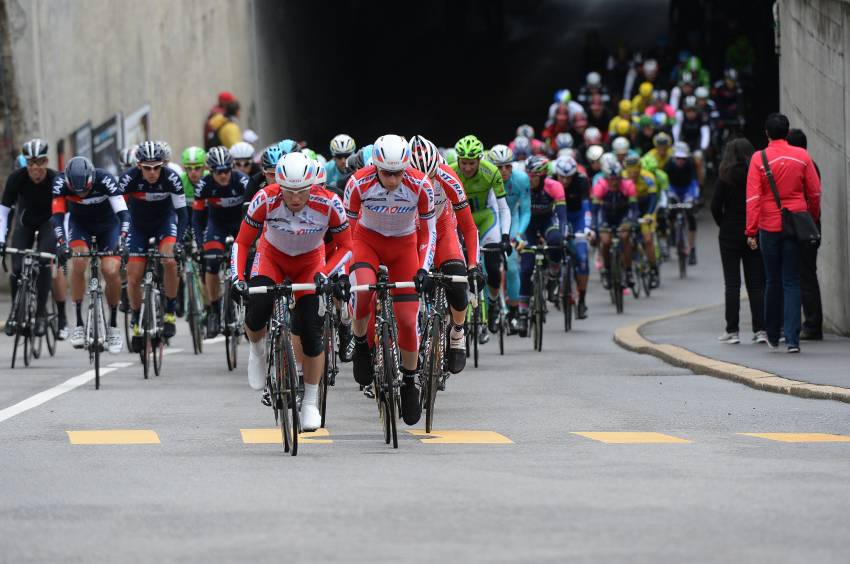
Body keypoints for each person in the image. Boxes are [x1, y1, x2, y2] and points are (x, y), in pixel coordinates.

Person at [232, 151, 352, 431]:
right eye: (289, 191)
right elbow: (242, 242)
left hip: (309, 262)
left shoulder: (330, 202)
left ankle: (309, 402)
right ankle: (257, 350)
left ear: (313, 186)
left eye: (302, 191)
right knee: (257, 308)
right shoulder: (265, 199)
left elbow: (347, 246)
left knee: (312, 333)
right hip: (272, 257)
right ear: (279, 186)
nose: (295, 198)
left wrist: (327, 273)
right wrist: (238, 277)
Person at [345, 134, 436, 426]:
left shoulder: (421, 184)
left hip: (404, 248)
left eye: (398, 173)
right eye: (387, 173)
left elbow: (429, 232)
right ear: (376, 168)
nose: (394, 180)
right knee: (361, 295)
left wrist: (424, 268)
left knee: (408, 320)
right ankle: (361, 343)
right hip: (366, 243)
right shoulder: (358, 183)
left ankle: (410, 382)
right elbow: (346, 232)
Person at [745, 113, 821, 353]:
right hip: (795, 224)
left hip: (769, 225)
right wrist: (812, 217)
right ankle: (792, 339)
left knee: (772, 280)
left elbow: (753, 198)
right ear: (787, 133)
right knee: (792, 280)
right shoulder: (802, 156)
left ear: (767, 134)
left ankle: (773, 334)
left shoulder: (759, 158)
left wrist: (750, 230)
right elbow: (815, 192)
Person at [409, 135, 480, 372]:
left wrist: (473, 265)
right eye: (419, 177)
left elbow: (469, 227)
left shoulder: (448, 175)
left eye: (430, 175)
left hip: (442, 230)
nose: (425, 182)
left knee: (459, 284)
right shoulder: (397, 179)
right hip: (410, 233)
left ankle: (457, 332)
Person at [52, 157, 129, 353]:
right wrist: (61, 243)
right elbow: (57, 217)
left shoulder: (105, 179)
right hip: (80, 227)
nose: (82, 194)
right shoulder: (60, 183)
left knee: (110, 271)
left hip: (108, 227)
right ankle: (78, 323)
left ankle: (113, 326)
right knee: (78, 262)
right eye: (77, 192)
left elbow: (124, 214)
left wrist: (123, 240)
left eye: (85, 190)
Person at [119, 141, 188, 348]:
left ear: (163, 166)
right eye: (147, 168)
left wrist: (180, 242)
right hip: (137, 226)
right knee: (134, 275)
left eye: (157, 167)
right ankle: (136, 319)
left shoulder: (172, 179)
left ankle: (169, 312)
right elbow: (117, 212)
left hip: (164, 224)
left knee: (169, 261)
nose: (152, 173)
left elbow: (182, 214)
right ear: (138, 165)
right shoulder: (128, 179)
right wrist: (120, 238)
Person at [1, 138, 68, 338]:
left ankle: (40, 314)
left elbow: (65, 213)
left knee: (43, 260)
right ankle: (15, 311)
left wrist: (62, 243)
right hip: (26, 224)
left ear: (46, 162)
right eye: (31, 163)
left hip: (49, 223)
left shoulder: (56, 179)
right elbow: (3, 212)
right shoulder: (16, 178)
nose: (35, 168)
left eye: (39, 162)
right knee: (17, 267)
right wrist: (2, 240)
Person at [452, 135, 512, 341]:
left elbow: (503, 208)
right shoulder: (450, 171)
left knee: (494, 269)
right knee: (457, 270)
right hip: (460, 223)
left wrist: (505, 236)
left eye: (471, 163)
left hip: (486, 221)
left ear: (479, 160)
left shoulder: (491, 171)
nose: (467, 168)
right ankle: (460, 315)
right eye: (464, 163)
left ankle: (493, 303)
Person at [711, 138, 766, 344]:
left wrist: (723, 224)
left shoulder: (725, 177)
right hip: (754, 231)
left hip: (729, 233)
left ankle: (732, 330)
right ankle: (760, 329)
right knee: (756, 284)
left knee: (732, 283)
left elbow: (715, 206)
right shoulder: (758, 174)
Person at [192, 146, 250, 337]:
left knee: (247, 262)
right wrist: (199, 245)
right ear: (210, 171)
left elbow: (253, 212)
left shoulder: (242, 180)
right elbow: (197, 218)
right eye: (219, 172)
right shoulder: (203, 185)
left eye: (227, 170)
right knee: (211, 263)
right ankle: (215, 311)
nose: (224, 175)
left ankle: (248, 303)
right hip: (216, 225)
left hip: (240, 224)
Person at [517, 156, 567, 335]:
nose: (530, 180)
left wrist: (564, 236)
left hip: (548, 221)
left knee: (556, 242)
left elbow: (562, 217)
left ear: (544, 175)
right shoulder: (522, 185)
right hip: (528, 224)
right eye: (528, 175)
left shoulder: (554, 186)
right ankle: (523, 314)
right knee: (526, 268)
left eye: (535, 177)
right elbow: (517, 212)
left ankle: (553, 275)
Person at [488, 144, 530, 329]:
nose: (504, 171)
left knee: (512, 266)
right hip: (490, 220)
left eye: (508, 166)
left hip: (511, 221)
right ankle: (490, 308)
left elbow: (526, 210)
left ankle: (514, 312)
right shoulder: (486, 179)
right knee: (485, 269)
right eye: (499, 167)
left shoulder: (521, 179)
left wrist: (519, 233)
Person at [786, 128, 823, 340]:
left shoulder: (804, 166)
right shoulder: (810, 164)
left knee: (804, 275)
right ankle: (810, 322)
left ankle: (812, 324)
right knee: (806, 274)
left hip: (804, 226)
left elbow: (813, 197)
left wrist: (811, 219)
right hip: (811, 224)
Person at [553, 156, 591, 318]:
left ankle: (582, 300)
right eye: (562, 177)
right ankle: (553, 283)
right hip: (557, 216)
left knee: (582, 259)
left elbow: (586, 207)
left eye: (569, 177)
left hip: (577, 219)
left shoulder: (582, 181)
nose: (565, 180)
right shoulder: (551, 181)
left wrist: (587, 228)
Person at [664, 142, 699, 264]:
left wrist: (695, 197)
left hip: (686, 190)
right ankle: (672, 232)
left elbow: (694, 182)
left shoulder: (690, 164)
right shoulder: (668, 164)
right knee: (670, 212)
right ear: (674, 157)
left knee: (690, 216)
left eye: (683, 158)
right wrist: (666, 196)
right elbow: (664, 181)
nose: (681, 161)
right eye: (678, 158)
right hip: (673, 190)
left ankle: (692, 248)